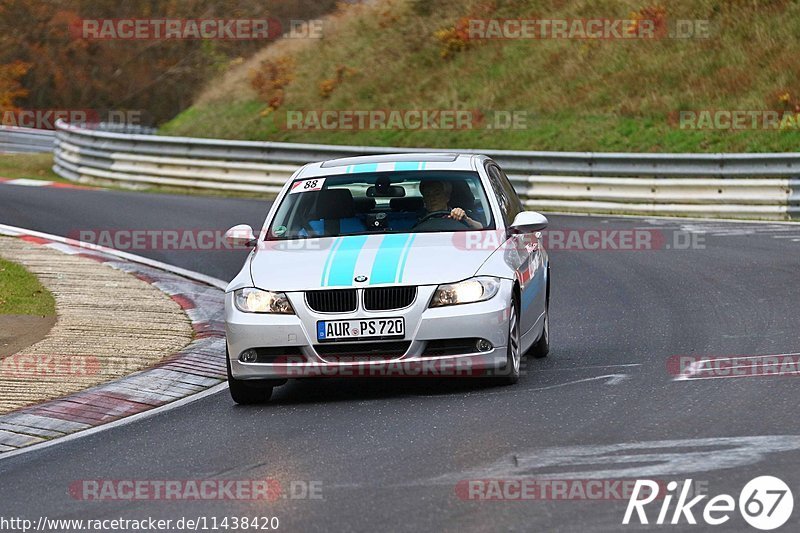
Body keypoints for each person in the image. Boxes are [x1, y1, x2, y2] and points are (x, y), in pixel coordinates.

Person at [418, 179, 483, 229]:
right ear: (424, 199)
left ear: (447, 197)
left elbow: (481, 228)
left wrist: (466, 220)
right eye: (427, 195)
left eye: (437, 194)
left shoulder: (464, 214)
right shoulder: (415, 217)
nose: (432, 198)